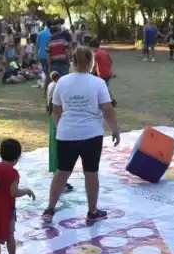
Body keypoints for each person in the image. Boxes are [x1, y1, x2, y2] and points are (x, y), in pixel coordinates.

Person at [42, 47, 121, 225]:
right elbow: (107, 109)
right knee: (91, 173)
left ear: (73, 61)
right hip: (91, 135)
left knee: (61, 173)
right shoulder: (98, 83)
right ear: (92, 62)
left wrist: (60, 127)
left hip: (66, 134)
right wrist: (115, 129)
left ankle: (49, 209)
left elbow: (56, 110)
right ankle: (92, 211)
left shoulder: (62, 82)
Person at [46, 71, 74, 193]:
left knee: (55, 148)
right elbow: (56, 103)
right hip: (57, 119)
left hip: (53, 117)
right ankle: (60, 183)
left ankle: (59, 180)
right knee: (60, 150)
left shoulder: (51, 85)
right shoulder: (57, 86)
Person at [90, 39, 116, 106]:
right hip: (107, 72)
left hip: (102, 73)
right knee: (105, 86)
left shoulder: (96, 54)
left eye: (91, 48)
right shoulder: (105, 52)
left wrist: (91, 73)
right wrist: (109, 69)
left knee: (105, 87)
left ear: (93, 47)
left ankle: (112, 100)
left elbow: (95, 65)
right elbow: (111, 62)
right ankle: (108, 100)